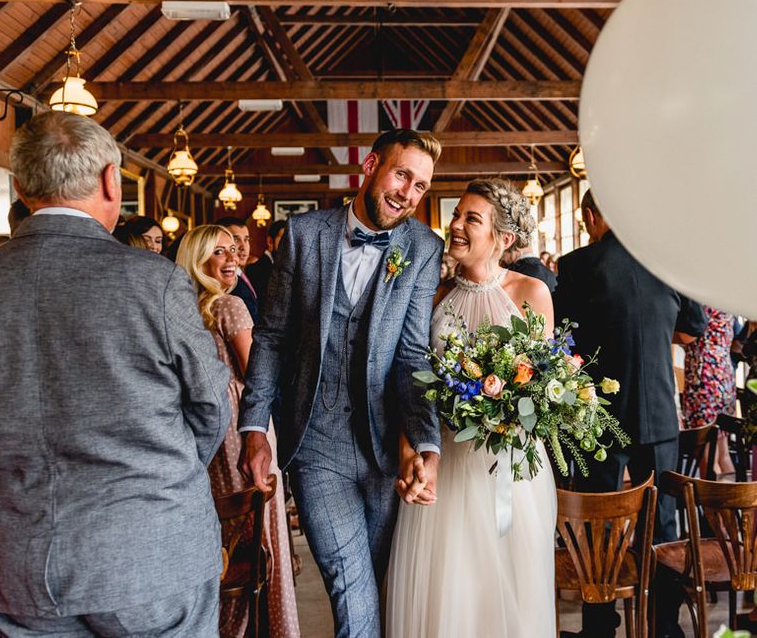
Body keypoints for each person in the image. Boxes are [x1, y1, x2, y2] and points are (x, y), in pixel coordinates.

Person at [0, 111, 231, 636]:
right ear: (110, 181)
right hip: (149, 550)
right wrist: (166, 475)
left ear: (22, 186)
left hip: (14, 559)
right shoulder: (153, 281)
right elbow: (212, 406)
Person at [238, 128, 444, 636]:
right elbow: (272, 336)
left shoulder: (422, 247)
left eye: (420, 186)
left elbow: (413, 356)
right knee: (349, 583)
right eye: (401, 175)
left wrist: (426, 441)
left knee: (375, 581)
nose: (408, 194)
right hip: (315, 442)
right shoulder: (305, 235)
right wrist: (254, 429)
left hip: (384, 447)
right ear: (370, 166)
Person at [386, 178, 557, 638]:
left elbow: (543, 386)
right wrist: (411, 452)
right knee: (452, 586)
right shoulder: (434, 296)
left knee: (512, 587)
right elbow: (408, 386)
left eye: (470, 219)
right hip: (448, 461)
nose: (455, 225)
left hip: (513, 467)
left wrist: (509, 408)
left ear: (502, 238)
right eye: (456, 215)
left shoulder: (532, 293)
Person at [554, 190, 706, 638]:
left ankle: (600, 626)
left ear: (590, 215)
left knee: (599, 524)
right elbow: (691, 331)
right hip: (659, 415)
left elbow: (565, 341)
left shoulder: (578, 265)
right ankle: (664, 626)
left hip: (600, 416)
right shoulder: (665, 262)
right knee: (662, 524)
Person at [176, 225, 300, 638]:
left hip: (203, 431)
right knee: (259, 527)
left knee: (226, 531)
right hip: (243, 422)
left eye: (234, 251)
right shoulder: (229, 306)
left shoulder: (181, 308)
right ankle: (265, 624)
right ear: (198, 260)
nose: (232, 259)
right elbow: (256, 372)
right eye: (219, 253)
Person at [681, 306, 737, 474]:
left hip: (704, 377)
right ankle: (734, 500)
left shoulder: (703, 303)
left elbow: (687, 337)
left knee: (705, 447)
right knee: (722, 451)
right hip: (724, 375)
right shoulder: (725, 301)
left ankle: (712, 500)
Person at [218, 216, 259, 323]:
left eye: (246, 240)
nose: (243, 246)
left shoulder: (241, 273)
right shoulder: (223, 280)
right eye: (235, 239)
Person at [247, 219, 287, 311]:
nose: (288, 244)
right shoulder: (255, 270)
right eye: (283, 239)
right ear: (270, 241)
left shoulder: (285, 266)